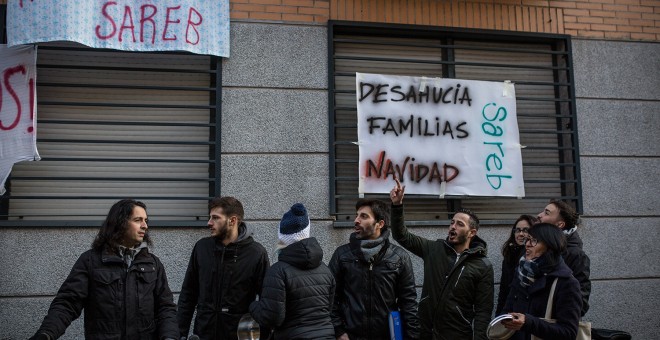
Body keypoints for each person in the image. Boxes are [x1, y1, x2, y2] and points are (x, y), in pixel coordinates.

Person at [30, 199, 178, 340]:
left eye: (146, 220)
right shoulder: (91, 261)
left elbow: (165, 308)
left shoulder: (153, 264)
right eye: (138, 220)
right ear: (120, 223)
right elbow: (67, 303)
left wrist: (170, 336)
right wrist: (47, 333)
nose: (145, 226)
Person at [389, 178, 493, 340]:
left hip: (457, 335)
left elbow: (483, 310)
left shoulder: (482, 265)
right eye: (452, 222)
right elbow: (401, 236)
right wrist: (397, 206)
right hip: (425, 332)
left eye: (459, 224)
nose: (453, 227)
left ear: (472, 233)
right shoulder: (433, 249)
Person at [177, 196, 269, 340]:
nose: (209, 223)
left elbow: (266, 301)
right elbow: (188, 295)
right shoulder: (202, 248)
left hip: (238, 334)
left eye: (215, 218)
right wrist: (179, 334)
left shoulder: (256, 253)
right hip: (204, 333)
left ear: (232, 221)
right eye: (210, 217)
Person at [329, 198, 420, 340]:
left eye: (364, 216)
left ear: (380, 224)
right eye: (357, 215)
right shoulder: (342, 255)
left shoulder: (398, 257)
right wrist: (339, 331)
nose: (356, 220)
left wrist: (412, 337)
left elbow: (409, 304)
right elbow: (330, 298)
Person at [249, 203, 335, 340]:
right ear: (307, 232)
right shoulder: (325, 270)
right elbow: (328, 309)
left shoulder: (278, 271)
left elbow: (272, 318)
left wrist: (253, 306)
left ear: (282, 237)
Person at [501, 223, 582, 339]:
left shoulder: (567, 283)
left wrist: (528, 322)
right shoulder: (521, 273)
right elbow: (506, 310)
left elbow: (568, 333)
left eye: (534, 241)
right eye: (527, 240)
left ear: (549, 246)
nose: (527, 245)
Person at [537, 199, 591, 316]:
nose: (539, 215)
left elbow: (581, 300)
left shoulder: (575, 255)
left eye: (547, 213)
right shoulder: (536, 246)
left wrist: (557, 318)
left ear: (560, 224)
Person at [495, 214, 539, 315]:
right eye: (518, 230)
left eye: (525, 230)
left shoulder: (535, 257)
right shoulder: (509, 256)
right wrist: (500, 315)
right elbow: (504, 290)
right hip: (509, 312)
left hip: (528, 315)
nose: (521, 234)